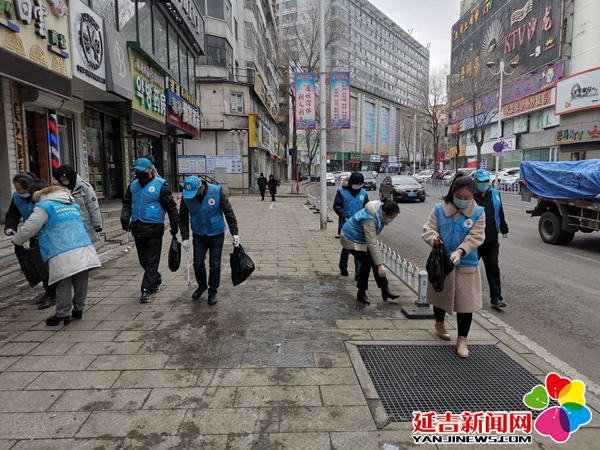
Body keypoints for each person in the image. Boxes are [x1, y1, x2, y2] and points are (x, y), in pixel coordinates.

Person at [11, 185, 101, 326]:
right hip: (83, 245)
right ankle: (78, 309)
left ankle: (62, 313)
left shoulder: (44, 207)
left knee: (63, 281)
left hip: (61, 249)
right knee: (81, 279)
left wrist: (17, 240)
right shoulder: (72, 205)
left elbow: (29, 227)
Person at [422, 173, 486, 358]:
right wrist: (434, 239)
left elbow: (476, 236)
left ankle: (462, 339)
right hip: (442, 261)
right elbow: (429, 229)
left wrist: (460, 251)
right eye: (459, 196)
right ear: (452, 193)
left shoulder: (478, 213)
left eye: (467, 197)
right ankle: (439, 322)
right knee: (440, 297)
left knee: (466, 304)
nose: (462, 200)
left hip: (466, 262)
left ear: (473, 195)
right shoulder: (439, 209)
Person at [121, 158, 179, 303]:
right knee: (144, 260)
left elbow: (171, 207)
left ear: (151, 169)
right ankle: (156, 278)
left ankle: (146, 289)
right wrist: (125, 218)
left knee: (152, 260)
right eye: (137, 171)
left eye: (143, 170)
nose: (140, 173)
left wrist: (174, 226)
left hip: (154, 228)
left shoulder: (161, 185)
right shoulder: (133, 186)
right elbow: (127, 203)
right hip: (137, 228)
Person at [179, 176, 239, 305]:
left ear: (201, 187)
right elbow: (182, 218)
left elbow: (229, 213)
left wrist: (234, 233)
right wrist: (185, 238)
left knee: (214, 264)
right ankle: (202, 286)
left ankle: (212, 292)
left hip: (216, 234)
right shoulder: (186, 196)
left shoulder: (216, 192)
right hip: (199, 234)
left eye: (194, 192)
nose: (191, 196)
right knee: (198, 263)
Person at [4, 173, 57, 310]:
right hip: (33, 235)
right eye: (18, 189)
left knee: (49, 266)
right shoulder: (16, 197)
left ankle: (53, 293)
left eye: (24, 188)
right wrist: (10, 227)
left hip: (47, 235)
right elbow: (12, 214)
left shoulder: (42, 195)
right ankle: (48, 291)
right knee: (39, 265)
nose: (21, 192)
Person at [340, 198, 400, 305]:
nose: (393, 220)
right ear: (384, 213)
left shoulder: (379, 211)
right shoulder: (369, 219)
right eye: (392, 218)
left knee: (375, 260)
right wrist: (380, 265)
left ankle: (385, 289)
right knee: (367, 262)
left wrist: (379, 264)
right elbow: (372, 243)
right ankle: (361, 293)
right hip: (350, 238)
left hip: (360, 238)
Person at [473, 169, 509, 309]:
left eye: (486, 181)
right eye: (481, 181)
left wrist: (504, 228)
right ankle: (465, 295)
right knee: (469, 268)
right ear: (475, 182)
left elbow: (499, 212)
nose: (484, 184)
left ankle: (496, 298)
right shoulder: (469, 195)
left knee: (493, 268)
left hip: (491, 239)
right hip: (473, 240)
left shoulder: (495, 194)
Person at [53, 164, 103, 243]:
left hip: (84, 224)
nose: (62, 179)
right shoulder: (56, 189)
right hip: (66, 225)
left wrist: (97, 225)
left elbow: (93, 207)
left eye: (64, 176)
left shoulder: (84, 187)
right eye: (60, 177)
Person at [333, 172, 369, 279]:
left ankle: (358, 273)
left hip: (359, 225)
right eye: (356, 183)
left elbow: (367, 208)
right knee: (347, 248)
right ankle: (343, 267)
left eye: (360, 184)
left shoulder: (363, 193)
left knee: (359, 248)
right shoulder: (341, 191)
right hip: (345, 224)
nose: (358, 185)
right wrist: (344, 216)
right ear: (351, 182)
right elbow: (337, 206)